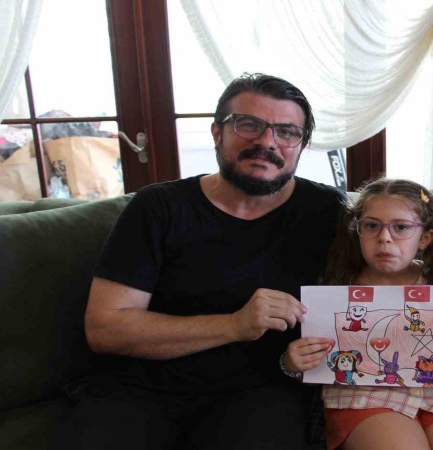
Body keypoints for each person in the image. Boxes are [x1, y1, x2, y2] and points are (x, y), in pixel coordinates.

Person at [66, 73, 345, 449]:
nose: (267, 142)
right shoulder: (157, 208)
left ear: (301, 145)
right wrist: (233, 325)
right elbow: (105, 329)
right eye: (249, 125)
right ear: (217, 133)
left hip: (262, 393)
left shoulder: (329, 211)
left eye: (286, 132)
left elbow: (393, 273)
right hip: (138, 390)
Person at [283, 178, 433, 450]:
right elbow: (313, 366)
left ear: (425, 238)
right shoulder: (334, 288)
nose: (384, 237)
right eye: (371, 226)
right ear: (357, 230)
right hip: (363, 398)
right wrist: (293, 364)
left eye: (401, 227)